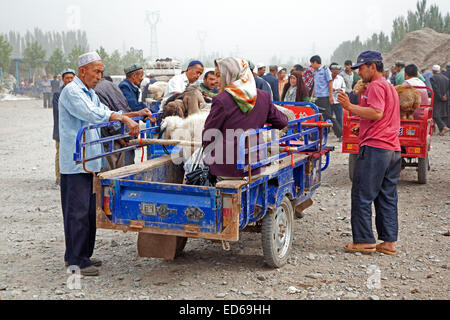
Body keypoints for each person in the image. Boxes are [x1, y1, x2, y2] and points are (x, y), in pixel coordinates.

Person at [58, 51, 153, 276]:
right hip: (76, 162)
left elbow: (103, 111)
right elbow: (92, 114)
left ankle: (82, 255)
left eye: (102, 72)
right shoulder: (72, 91)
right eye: (96, 71)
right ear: (83, 71)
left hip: (90, 160)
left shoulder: (89, 92)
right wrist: (123, 118)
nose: (100, 76)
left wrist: (133, 113)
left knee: (89, 211)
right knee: (77, 212)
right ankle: (76, 262)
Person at [337, 50, 401, 256]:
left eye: (361, 68)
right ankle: (389, 242)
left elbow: (376, 112)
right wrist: (362, 125)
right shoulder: (389, 86)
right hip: (392, 148)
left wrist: (349, 106)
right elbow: (382, 116)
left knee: (362, 194)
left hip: (375, 148)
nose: (358, 73)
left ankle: (364, 240)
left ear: (373, 67)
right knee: (387, 196)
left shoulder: (374, 86)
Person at [202, 57, 288, 179]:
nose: (216, 81)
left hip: (228, 169)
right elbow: (282, 121)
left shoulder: (222, 100)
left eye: (218, 75)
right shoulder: (263, 96)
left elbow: (209, 134)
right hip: (256, 165)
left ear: (230, 75)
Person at [94, 76, 133, 169]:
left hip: (110, 138)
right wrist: (123, 134)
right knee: (119, 170)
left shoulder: (96, 90)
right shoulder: (113, 86)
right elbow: (124, 108)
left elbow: (108, 116)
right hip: (122, 133)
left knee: (109, 172)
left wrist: (119, 135)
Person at [52, 69, 76, 185]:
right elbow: (59, 113)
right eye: (67, 78)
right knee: (60, 152)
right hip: (61, 129)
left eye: (72, 78)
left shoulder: (77, 92)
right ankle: (59, 176)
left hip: (73, 130)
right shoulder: (58, 94)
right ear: (63, 79)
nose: (70, 80)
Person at [310, 55, 336, 130]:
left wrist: (331, 96)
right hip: (317, 97)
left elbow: (330, 82)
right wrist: (312, 96)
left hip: (324, 96)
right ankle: (322, 132)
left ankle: (339, 132)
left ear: (315, 62)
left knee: (328, 115)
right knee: (318, 115)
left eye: (312, 63)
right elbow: (315, 84)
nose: (311, 66)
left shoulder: (325, 70)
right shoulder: (315, 71)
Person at [430, 65, 449, 136]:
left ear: (433, 71)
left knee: (435, 114)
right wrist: (445, 96)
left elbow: (435, 89)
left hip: (437, 99)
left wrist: (441, 96)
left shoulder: (433, 78)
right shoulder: (446, 78)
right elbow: (448, 89)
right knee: (443, 114)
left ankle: (444, 127)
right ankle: (442, 131)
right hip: (445, 98)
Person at [330, 64, 346, 140]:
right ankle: (325, 133)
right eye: (334, 73)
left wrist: (341, 90)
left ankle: (340, 135)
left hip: (337, 100)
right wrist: (330, 90)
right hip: (329, 100)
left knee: (339, 117)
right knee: (328, 117)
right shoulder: (328, 78)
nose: (335, 74)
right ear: (331, 71)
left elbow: (344, 87)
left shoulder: (340, 78)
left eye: (337, 73)